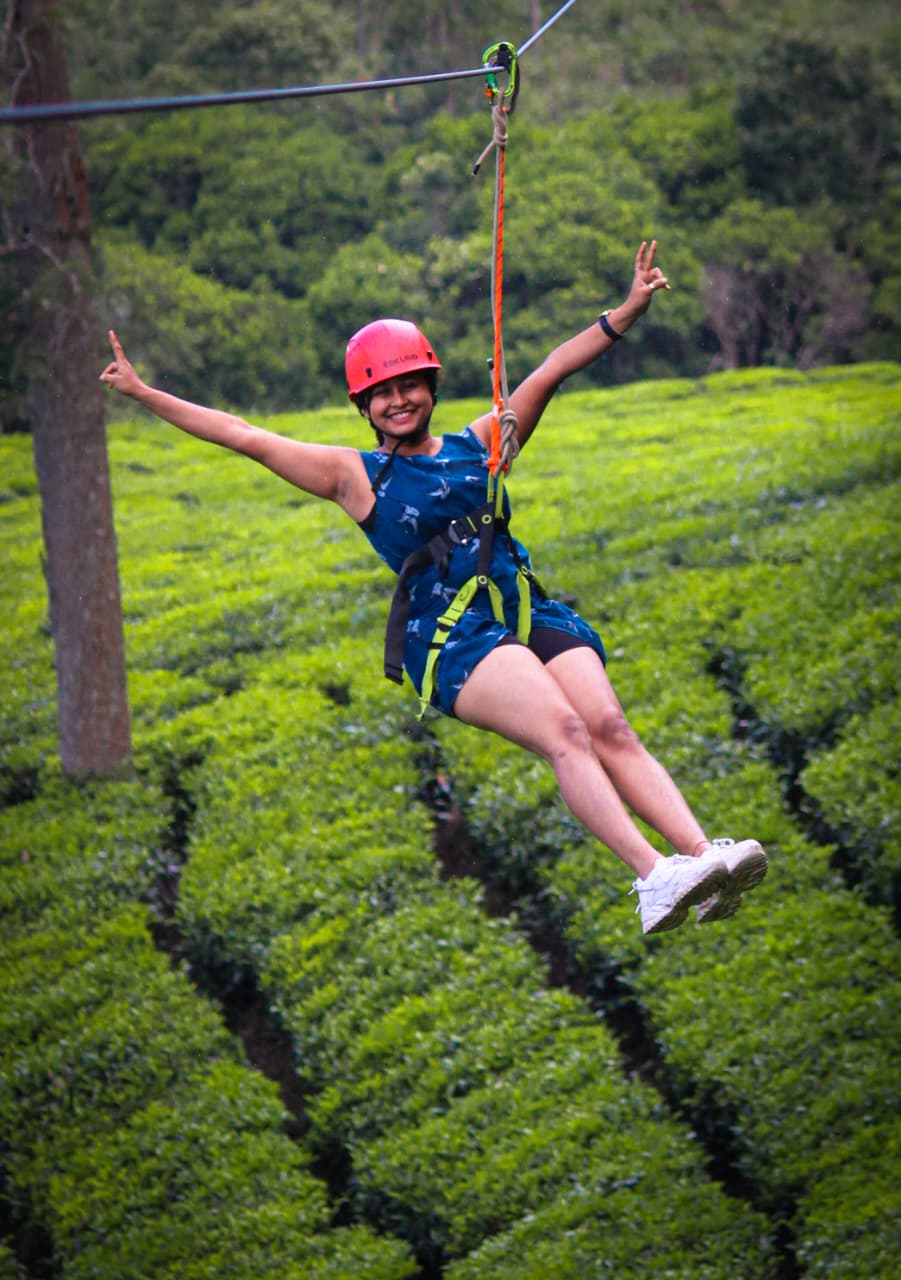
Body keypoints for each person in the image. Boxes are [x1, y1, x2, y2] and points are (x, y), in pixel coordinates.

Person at [100, 240, 767, 935]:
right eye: (381, 393)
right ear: (363, 407)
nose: (397, 401)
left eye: (408, 385)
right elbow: (243, 435)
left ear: (431, 386)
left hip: (523, 605)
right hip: (453, 635)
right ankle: (653, 876)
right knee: (565, 731)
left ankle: (700, 859)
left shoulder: (479, 441)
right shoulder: (353, 475)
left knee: (609, 725)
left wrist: (625, 311)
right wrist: (144, 394)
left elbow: (548, 374)